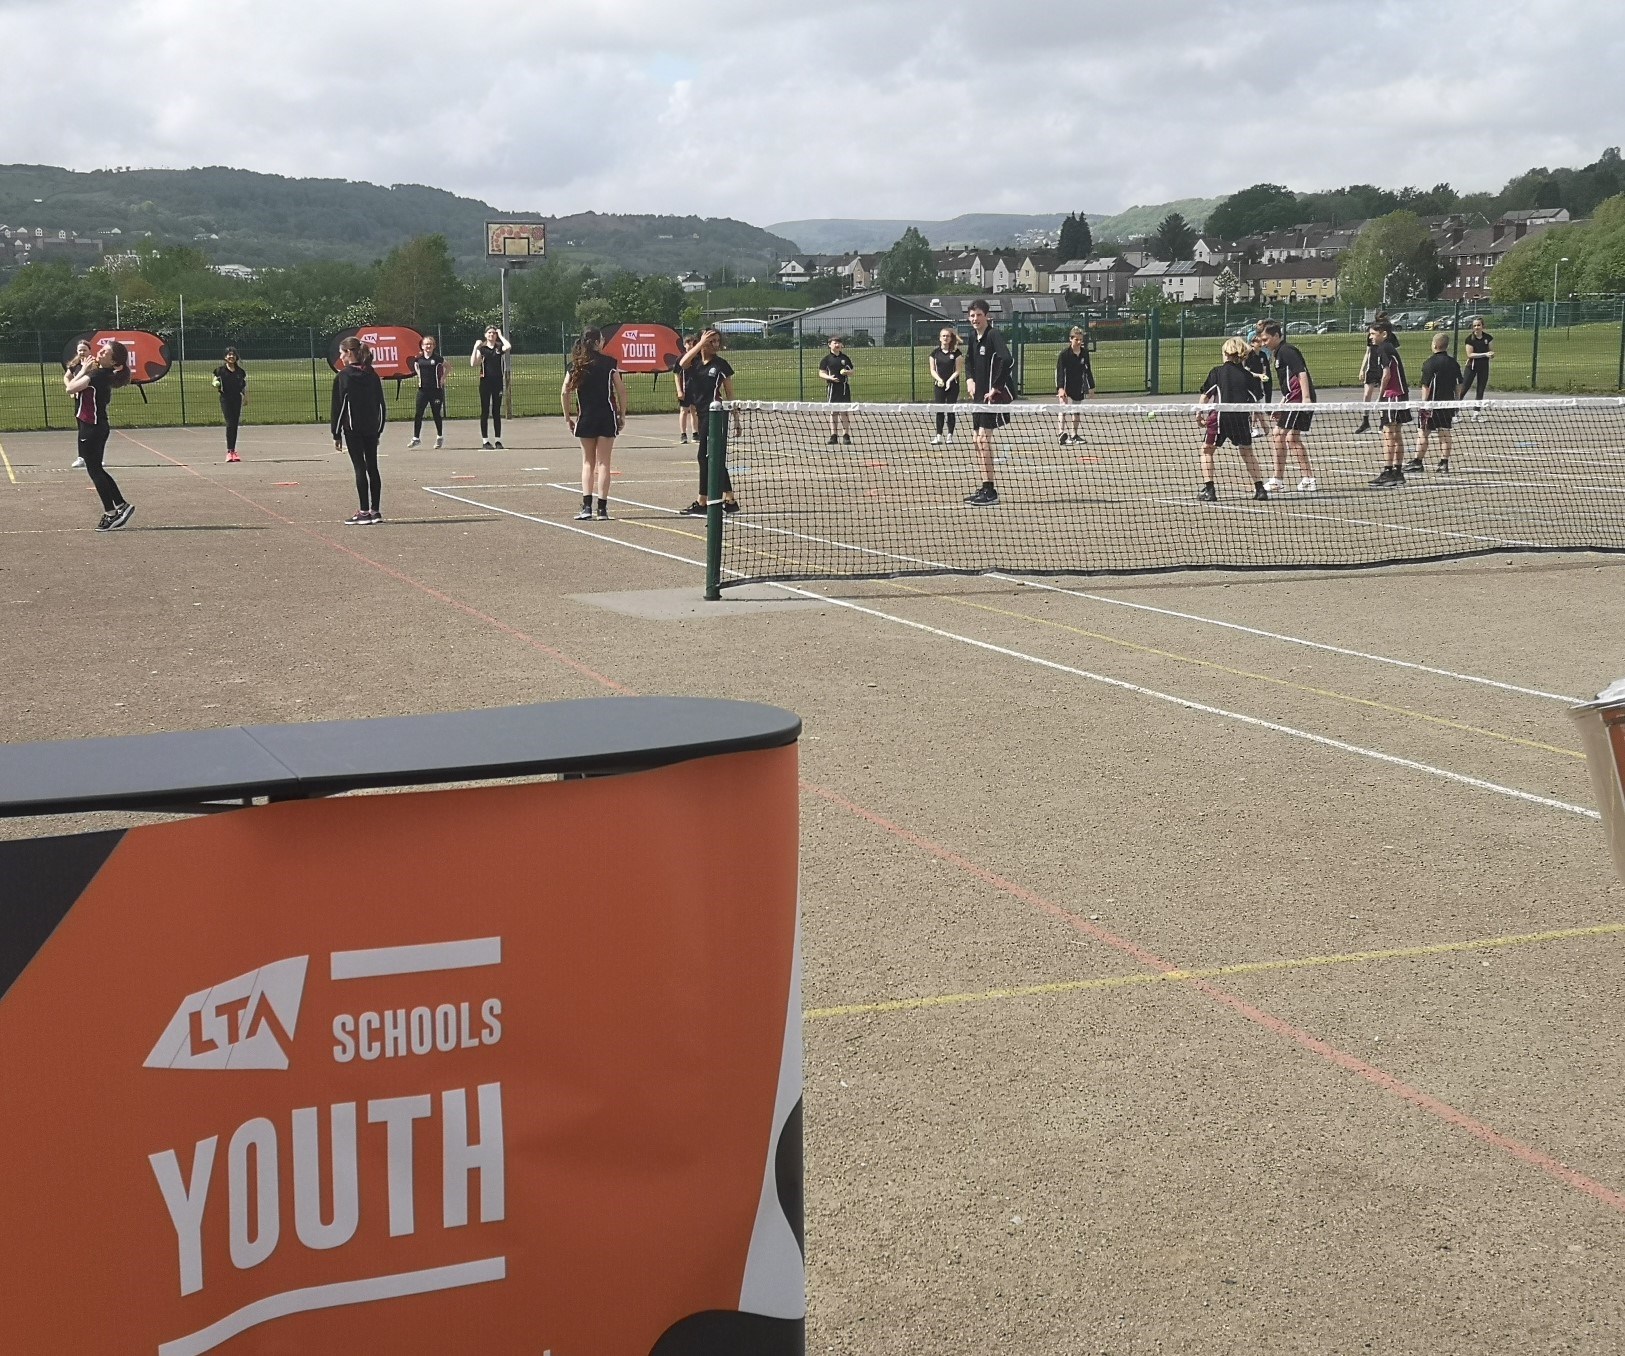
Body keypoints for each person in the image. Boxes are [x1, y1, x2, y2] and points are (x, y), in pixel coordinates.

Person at [63, 339, 135, 530]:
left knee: (95, 471)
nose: (100, 353)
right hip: (94, 426)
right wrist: (84, 369)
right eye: (101, 350)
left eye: (105, 353)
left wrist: (85, 369)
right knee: (97, 470)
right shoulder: (101, 373)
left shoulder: (98, 376)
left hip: (93, 428)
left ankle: (111, 513)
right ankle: (121, 505)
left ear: (114, 363)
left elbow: (70, 388)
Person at [561, 327, 627, 521]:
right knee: (604, 462)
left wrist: (567, 418)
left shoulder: (576, 365)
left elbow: (565, 391)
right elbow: (621, 391)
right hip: (606, 416)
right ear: (598, 342)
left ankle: (587, 506)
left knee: (588, 462)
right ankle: (603, 509)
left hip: (586, 417)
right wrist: (622, 414)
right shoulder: (609, 364)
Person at [1196, 337, 1268, 503]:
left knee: (1207, 450)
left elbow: (1205, 396)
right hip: (1241, 419)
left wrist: (1199, 414)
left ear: (1227, 353)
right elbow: (1255, 402)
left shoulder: (1217, 372)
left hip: (1220, 417)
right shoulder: (1248, 376)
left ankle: (1209, 490)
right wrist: (1263, 423)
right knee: (1247, 451)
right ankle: (1260, 489)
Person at [677, 328, 741, 516]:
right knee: (711, 458)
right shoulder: (694, 362)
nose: (715, 344)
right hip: (701, 413)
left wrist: (736, 419)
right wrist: (699, 344)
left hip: (716, 414)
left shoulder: (721, 365)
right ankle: (729, 499)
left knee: (706, 457)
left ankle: (703, 501)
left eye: (717, 341)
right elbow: (682, 363)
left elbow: (730, 394)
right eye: (711, 341)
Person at [331, 336, 388, 524]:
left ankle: (364, 512)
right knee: (372, 467)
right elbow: (381, 405)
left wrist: (336, 433)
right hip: (371, 427)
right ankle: (375, 511)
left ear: (349, 353)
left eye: (342, 352)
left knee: (360, 467)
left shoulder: (343, 376)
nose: (340, 356)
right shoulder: (372, 375)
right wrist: (379, 429)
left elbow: (338, 407)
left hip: (353, 429)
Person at [963, 299, 1013, 506]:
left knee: (984, 441)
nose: (975, 319)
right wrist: (970, 380)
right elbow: (968, 361)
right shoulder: (973, 337)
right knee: (976, 441)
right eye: (972, 316)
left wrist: (996, 387)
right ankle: (985, 485)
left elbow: (1007, 360)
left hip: (991, 398)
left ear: (986, 316)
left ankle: (990, 491)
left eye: (979, 315)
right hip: (978, 396)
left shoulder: (993, 335)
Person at [1258, 321, 1317, 493]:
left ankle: (1277, 480)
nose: (1263, 343)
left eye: (1266, 339)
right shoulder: (1278, 354)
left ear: (1276, 336)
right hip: (1291, 399)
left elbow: (1301, 373)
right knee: (1292, 439)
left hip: (1298, 400)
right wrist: (1282, 405)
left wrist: (1306, 398)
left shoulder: (1287, 351)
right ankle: (1308, 478)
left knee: (1278, 434)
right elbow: (1288, 384)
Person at [1409, 331, 1463, 474]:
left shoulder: (1429, 363)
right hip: (1447, 405)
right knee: (1445, 433)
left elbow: (1425, 386)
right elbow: (1458, 385)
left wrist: (1423, 404)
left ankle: (1418, 462)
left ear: (1434, 345)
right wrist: (1456, 402)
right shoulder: (1454, 363)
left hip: (1431, 406)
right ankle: (1443, 462)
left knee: (1423, 433)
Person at [1367, 320, 1412, 487]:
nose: (1370, 337)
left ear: (1384, 334)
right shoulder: (1389, 348)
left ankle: (1388, 471)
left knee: (1389, 433)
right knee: (1396, 433)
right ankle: (1397, 472)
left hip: (1393, 396)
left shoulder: (1384, 348)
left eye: (1373, 333)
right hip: (1401, 395)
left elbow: (1386, 374)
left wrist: (1381, 397)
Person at [470, 325, 511, 448]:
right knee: (485, 411)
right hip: (485, 382)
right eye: (489, 333)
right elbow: (473, 363)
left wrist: (501, 336)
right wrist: (475, 347)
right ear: (485, 335)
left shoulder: (498, 347)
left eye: (493, 333)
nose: (491, 335)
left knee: (496, 411)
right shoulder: (482, 349)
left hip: (497, 382)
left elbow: (508, 346)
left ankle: (498, 440)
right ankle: (485, 441)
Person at [1054, 325, 1095, 445]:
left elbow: (1088, 370)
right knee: (1063, 407)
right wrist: (1060, 388)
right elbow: (1060, 372)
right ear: (1070, 339)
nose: (1079, 342)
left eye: (1080, 340)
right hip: (1066, 385)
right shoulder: (1064, 354)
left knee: (1076, 409)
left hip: (1078, 385)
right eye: (1076, 339)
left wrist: (1091, 387)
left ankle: (1074, 435)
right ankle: (1061, 434)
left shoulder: (1084, 353)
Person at [1353, 312, 1392, 434]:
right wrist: (1362, 369)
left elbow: (1393, 354)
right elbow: (1368, 352)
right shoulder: (1372, 334)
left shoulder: (1390, 336)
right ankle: (1365, 422)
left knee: (1383, 394)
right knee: (1366, 395)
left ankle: (1382, 421)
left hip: (1383, 367)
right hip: (1372, 367)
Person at [408, 335, 446, 449]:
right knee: (418, 414)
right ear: (422, 346)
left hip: (436, 391)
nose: (428, 346)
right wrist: (419, 377)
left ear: (434, 346)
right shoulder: (418, 359)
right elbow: (416, 367)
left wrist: (442, 378)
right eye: (426, 344)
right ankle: (416, 438)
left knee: (436, 414)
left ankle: (439, 437)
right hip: (423, 390)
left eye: (430, 344)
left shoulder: (438, 359)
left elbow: (448, 367)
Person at [211, 348, 248, 463]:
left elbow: (243, 386)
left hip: (236, 398)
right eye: (229, 355)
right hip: (225, 398)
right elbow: (214, 381)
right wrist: (215, 383)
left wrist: (246, 397)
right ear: (225, 357)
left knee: (235, 424)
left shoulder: (240, 372)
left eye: (233, 355)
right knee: (230, 423)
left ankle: (234, 451)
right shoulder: (219, 370)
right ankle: (229, 451)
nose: (231, 357)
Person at [928, 327, 962, 445]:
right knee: (940, 410)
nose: (945, 338)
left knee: (950, 410)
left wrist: (949, 381)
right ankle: (938, 436)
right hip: (939, 385)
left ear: (951, 338)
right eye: (943, 336)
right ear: (940, 338)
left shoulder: (956, 353)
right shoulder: (935, 353)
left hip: (953, 386)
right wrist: (939, 380)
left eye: (947, 336)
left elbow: (958, 371)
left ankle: (950, 435)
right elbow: (932, 370)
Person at [820, 336, 855, 444]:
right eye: (835, 343)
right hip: (832, 388)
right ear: (829, 345)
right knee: (833, 412)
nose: (837, 345)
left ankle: (846, 436)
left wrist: (847, 372)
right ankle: (833, 435)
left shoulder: (845, 358)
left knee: (844, 412)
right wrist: (829, 378)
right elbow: (821, 373)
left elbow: (852, 371)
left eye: (839, 343)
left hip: (844, 388)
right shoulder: (826, 359)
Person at [67, 339, 94, 468]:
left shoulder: (94, 365)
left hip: (93, 401)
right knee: (82, 429)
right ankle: (81, 457)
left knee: (94, 430)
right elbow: (67, 377)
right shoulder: (75, 365)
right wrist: (71, 389)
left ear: (90, 350)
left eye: (85, 349)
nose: (82, 352)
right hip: (80, 401)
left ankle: (96, 457)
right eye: (80, 350)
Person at [1242, 329, 1273, 439]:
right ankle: (1254, 427)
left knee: (1257, 405)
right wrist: (1258, 375)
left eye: (1261, 342)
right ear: (1252, 343)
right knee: (1255, 404)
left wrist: (1263, 375)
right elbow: (1246, 371)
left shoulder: (1263, 355)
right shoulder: (1249, 356)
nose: (1260, 344)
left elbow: (1265, 368)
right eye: (1257, 342)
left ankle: (1261, 427)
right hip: (1249, 384)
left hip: (1258, 384)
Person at [1462, 316, 1494, 416]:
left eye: (1478, 325)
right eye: (1475, 325)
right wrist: (1484, 354)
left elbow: (1491, 351)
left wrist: (1491, 354)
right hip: (1471, 367)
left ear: (1483, 326)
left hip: (1483, 367)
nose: (1476, 327)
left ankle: (1476, 413)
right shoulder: (1469, 339)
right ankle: (1454, 412)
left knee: (1480, 390)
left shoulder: (1488, 338)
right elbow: (1469, 354)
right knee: (1464, 389)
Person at [674, 334, 701, 444]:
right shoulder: (681, 359)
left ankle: (695, 433)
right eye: (688, 343)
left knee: (694, 410)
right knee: (684, 411)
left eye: (693, 343)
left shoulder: (699, 358)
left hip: (696, 389)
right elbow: (676, 375)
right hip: (685, 388)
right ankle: (683, 434)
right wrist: (679, 390)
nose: (690, 345)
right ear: (684, 345)